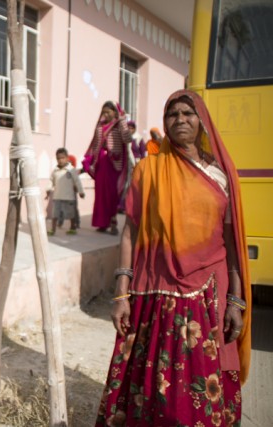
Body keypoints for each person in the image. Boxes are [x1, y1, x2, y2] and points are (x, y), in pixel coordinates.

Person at [96, 89, 251, 426]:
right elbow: (130, 232)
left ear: (202, 121)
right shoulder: (149, 171)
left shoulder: (220, 175)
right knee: (151, 391)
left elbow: (232, 242)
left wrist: (236, 301)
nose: (180, 120)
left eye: (187, 113)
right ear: (165, 123)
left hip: (207, 297)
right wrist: (121, 293)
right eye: (172, 115)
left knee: (201, 390)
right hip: (154, 298)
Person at [83, 101, 133, 235]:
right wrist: (90, 161)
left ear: (115, 112)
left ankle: (113, 221)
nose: (105, 114)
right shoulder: (99, 127)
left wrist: (123, 121)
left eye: (108, 112)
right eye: (104, 112)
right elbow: (94, 145)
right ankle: (102, 224)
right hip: (101, 164)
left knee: (112, 194)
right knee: (100, 195)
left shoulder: (118, 126)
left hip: (113, 165)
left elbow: (128, 139)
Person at [47, 148, 85, 235]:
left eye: (62, 158)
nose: (60, 160)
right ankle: (52, 230)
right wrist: (48, 189)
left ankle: (72, 227)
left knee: (71, 214)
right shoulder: (55, 171)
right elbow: (51, 181)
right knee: (54, 214)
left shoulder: (71, 170)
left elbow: (77, 181)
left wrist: (81, 191)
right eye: (58, 158)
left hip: (69, 197)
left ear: (67, 158)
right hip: (57, 197)